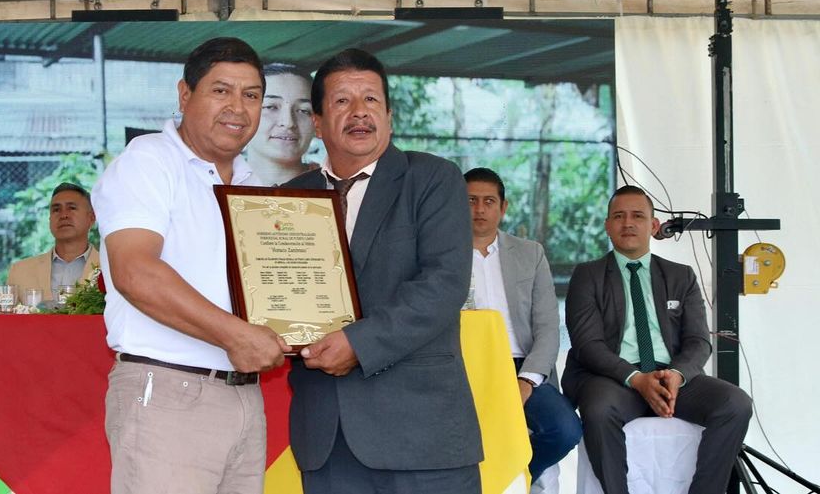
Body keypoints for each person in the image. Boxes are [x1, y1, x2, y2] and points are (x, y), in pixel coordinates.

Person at [93, 37, 290, 494]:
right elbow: (135, 272)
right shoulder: (149, 161)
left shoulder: (255, 186)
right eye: (221, 91)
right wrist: (236, 336)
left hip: (244, 397)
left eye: (251, 95)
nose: (237, 108)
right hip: (168, 392)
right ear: (185, 95)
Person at [284, 48, 481, 494]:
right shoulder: (287, 198)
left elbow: (443, 284)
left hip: (421, 435)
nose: (359, 112)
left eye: (371, 99)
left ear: (389, 116)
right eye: (342, 101)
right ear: (317, 123)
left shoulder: (432, 179)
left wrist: (358, 343)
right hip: (328, 437)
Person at [562, 185, 752, 494]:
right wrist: (636, 379)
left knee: (736, 404)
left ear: (653, 225)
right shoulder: (588, 275)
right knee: (598, 410)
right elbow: (587, 345)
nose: (628, 223)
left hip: (671, 378)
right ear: (607, 225)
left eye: (637, 216)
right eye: (619, 216)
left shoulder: (681, 275)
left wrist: (676, 375)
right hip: (614, 378)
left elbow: (698, 341)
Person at [464, 167, 582, 486]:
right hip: (464, 367)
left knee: (565, 430)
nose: (479, 209)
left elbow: (548, 327)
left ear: (503, 207)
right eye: (471, 200)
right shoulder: (441, 255)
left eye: (489, 201)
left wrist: (527, 381)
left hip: (522, 366)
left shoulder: (530, 253)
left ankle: (516, 478)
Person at [7, 181, 101, 301]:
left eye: (72, 208)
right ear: (50, 219)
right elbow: (6, 313)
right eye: (56, 210)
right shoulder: (20, 271)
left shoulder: (110, 269)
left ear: (91, 218)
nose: (64, 215)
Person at [245, 62, 317, 185]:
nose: (288, 122)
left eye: (303, 110)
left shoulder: (339, 189)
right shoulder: (214, 187)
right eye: (271, 107)